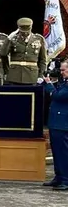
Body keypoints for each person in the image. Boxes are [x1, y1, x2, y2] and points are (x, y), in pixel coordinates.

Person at [43, 61, 68, 190]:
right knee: (57, 152)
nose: (61, 72)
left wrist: (49, 85)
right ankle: (58, 177)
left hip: (63, 123)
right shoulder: (64, 82)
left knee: (63, 153)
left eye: (64, 70)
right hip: (56, 122)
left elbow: (58, 96)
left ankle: (65, 180)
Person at [1, 17, 47, 86]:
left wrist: (40, 75)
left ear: (31, 28)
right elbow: (3, 53)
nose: (25, 33)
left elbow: (42, 60)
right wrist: (8, 39)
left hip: (32, 76)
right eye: (23, 32)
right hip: (14, 75)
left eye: (27, 31)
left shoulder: (39, 39)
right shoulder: (13, 39)